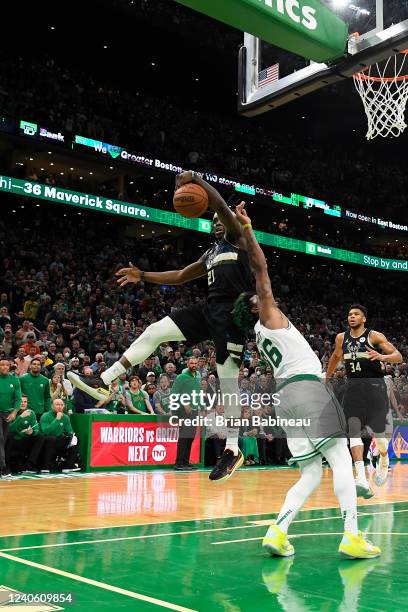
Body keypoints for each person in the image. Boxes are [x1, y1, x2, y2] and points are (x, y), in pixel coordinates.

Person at [68, 171, 254, 481]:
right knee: (154, 331)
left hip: (233, 314)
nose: (218, 222)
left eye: (222, 219)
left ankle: (233, 449)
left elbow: (220, 205)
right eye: (214, 221)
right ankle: (106, 379)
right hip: (208, 309)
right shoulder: (211, 253)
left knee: (228, 383)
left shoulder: (239, 239)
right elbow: (181, 275)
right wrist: (143, 275)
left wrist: (197, 181)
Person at [232, 202, 380, 559]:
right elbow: (261, 268)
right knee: (342, 460)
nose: (269, 296)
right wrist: (248, 230)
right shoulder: (266, 313)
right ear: (255, 306)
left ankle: (278, 531)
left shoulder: (259, 333)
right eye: (262, 298)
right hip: (306, 388)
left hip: (287, 398)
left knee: (312, 473)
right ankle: (351, 536)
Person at [326, 305, 402, 498]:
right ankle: (360, 477)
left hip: (375, 388)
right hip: (353, 389)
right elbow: (335, 357)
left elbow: (398, 356)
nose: (352, 317)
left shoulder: (374, 336)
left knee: (379, 437)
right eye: (350, 314)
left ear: (364, 318)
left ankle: (383, 457)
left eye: (356, 314)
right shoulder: (341, 338)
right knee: (353, 430)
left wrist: (382, 356)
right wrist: (327, 377)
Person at [172, 357, 201, 471]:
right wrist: (184, 403)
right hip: (183, 410)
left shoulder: (196, 378)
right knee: (184, 436)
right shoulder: (181, 377)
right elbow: (174, 393)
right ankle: (179, 463)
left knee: (191, 436)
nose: (194, 365)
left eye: (195, 363)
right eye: (191, 363)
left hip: (194, 411)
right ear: (187, 364)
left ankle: (186, 462)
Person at [39, 398, 80, 472]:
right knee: (51, 439)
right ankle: (45, 467)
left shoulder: (65, 417)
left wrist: (72, 436)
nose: (60, 407)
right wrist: (57, 420)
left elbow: (70, 431)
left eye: (61, 405)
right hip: (47, 440)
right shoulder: (45, 416)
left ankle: (68, 466)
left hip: (59, 440)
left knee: (75, 440)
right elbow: (46, 431)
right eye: (57, 404)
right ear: (52, 406)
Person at [0, 359, 22, 477]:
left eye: (6, 365)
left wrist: (14, 412)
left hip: (7, 414)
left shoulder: (14, 380)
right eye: (2, 365)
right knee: (0, 439)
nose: (4, 367)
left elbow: (18, 399)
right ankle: (3, 468)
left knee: (4, 440)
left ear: (10, 367)